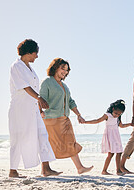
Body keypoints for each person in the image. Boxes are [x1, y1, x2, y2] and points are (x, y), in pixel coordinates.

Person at [8, 39, 61, 178]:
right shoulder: (16, 66)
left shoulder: (30, 68)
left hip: (32, 109)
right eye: (35, 53)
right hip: (20, 109)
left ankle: (46, 169)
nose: (37, 56)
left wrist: (39, 107)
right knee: (18, 138)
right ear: (28, 52)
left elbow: (33, 88)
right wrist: (39, 98)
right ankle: (13, 170)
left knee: (43, 135)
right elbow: (25, 86)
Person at [39, 58, 93, 174]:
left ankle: (80, 168)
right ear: (55, 67)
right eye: (62, 68)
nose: (65, 72)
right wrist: (40, 112)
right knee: (52, 143)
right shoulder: (47, 81)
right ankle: (45, 169)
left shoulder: (64, 86)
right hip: (52, 119)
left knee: (70, 142)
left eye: (67, 70)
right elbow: (40, 98)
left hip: (64, 119)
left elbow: (71, 102)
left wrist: (79, 115)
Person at [83, 100, 132, 175]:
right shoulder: (107, 115)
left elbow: (121, 126)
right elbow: (97, 120)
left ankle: (118, 170)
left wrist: (130, 124)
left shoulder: (118, 117)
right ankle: (104, 171)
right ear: (113, 109)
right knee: (111, 154)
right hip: (110, 136)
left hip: (116, 136)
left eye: (119, 114)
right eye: (116, 113)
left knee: (119, 153)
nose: (117, 115)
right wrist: (85, 122)